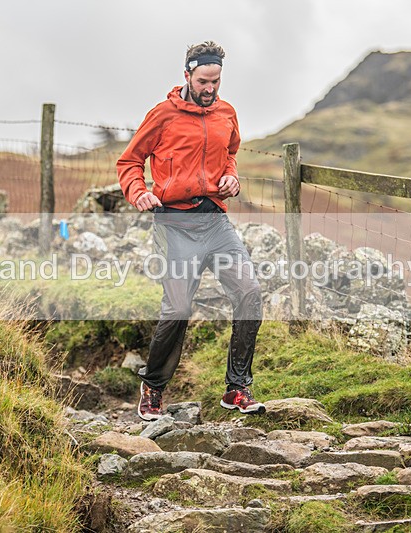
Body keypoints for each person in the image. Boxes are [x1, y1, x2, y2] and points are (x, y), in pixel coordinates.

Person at [118, 41, 264, 421]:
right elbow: (129, 162)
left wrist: (231, 177)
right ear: (187, 76)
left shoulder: (226, 114)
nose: (210, 89)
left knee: (249, 292)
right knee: (179, 308)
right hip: (174, 223)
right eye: (203, 81)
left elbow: (230, 154)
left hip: (215, 220)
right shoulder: (163, 115)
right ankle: (153, 387)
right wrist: (139, 192)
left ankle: (237, 388)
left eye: (216, 81)